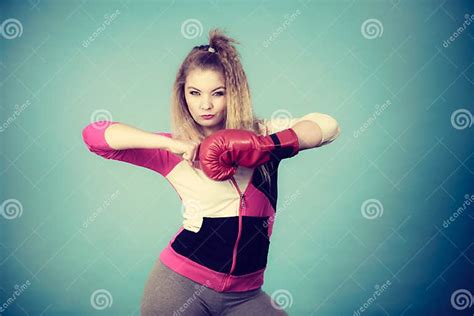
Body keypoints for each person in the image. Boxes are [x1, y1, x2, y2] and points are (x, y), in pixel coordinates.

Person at [81, 28, 340, 316]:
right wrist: (168, 142)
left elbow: (327, 125)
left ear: (234, 93)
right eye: (194, 93)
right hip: (180, 285)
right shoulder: (175, 151)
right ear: (183, 95)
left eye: (218, 93)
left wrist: (263, 145)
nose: (205, 105)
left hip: (246, 294)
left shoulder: (263, 133)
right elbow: (95, 136)